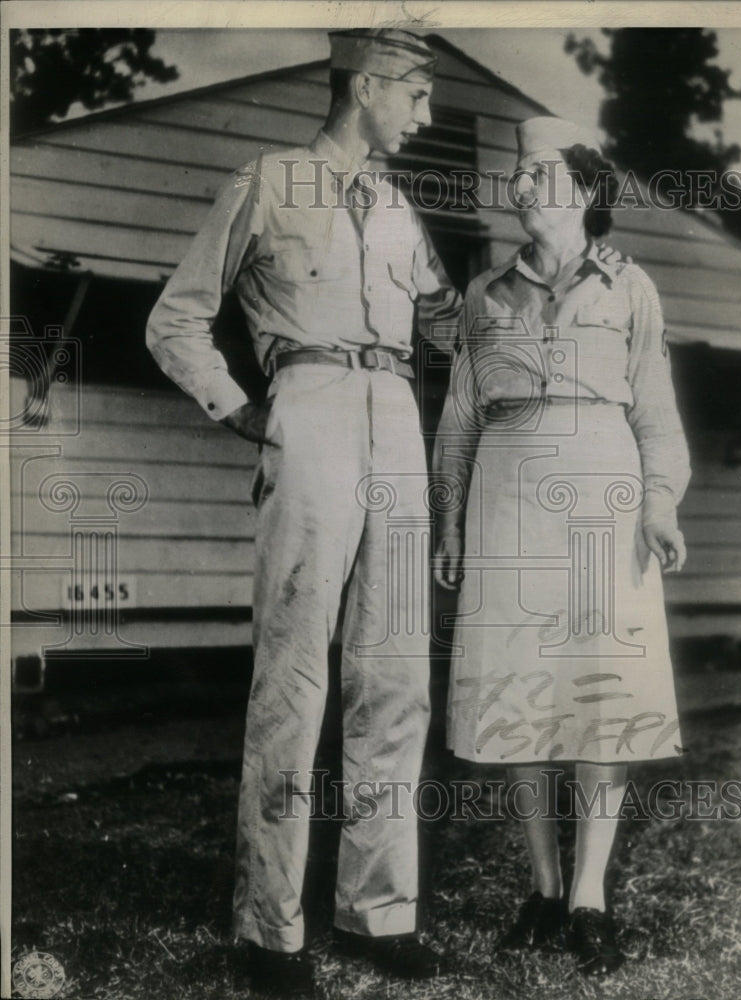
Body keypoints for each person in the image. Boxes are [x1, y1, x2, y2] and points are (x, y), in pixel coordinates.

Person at [146, 29, 466, 998]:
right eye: (413, 93)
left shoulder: (403, 209)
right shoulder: (269, 182)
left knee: (397, 674)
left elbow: (450, 323)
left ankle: (379, 910)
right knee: (295, 680)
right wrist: (244, 409)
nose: (424, 113)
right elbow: (174, 319)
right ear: (364, 84)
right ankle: (268, 931)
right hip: (314, 415)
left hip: (397, 425)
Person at [433, 116, 691, 977]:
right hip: (506, 505)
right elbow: (459, 423)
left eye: (539, 173)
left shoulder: (630, 289)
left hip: (602, 504)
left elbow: (655, 416)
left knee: (598, 695)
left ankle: (589, 897)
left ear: (584, 190)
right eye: (515, 173)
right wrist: (446, 520)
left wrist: (660, 509)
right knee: (522, 696)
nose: (519, 186)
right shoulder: (482, 296)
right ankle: (542, 890)